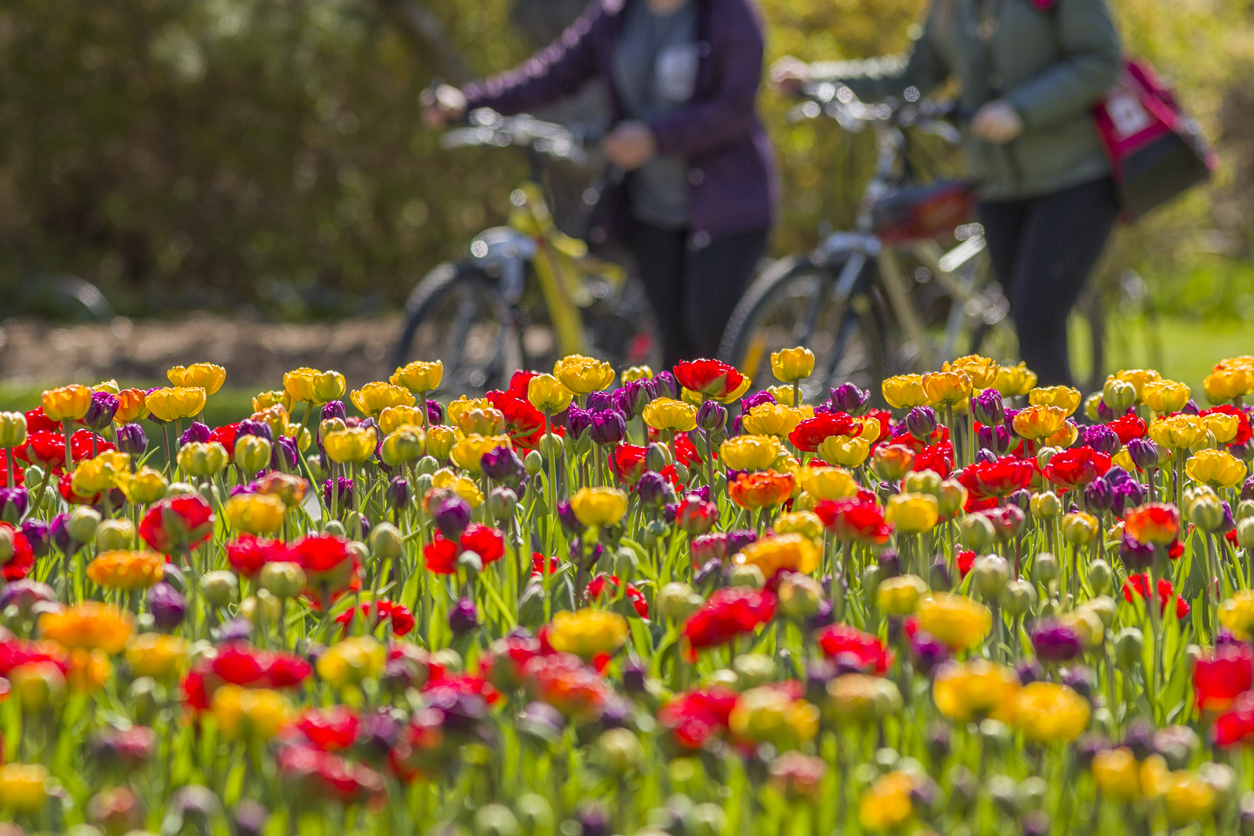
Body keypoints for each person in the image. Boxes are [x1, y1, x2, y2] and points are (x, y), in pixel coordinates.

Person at [772, 0, 1122, 388]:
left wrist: (1021, 110)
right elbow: (911, 78)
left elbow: (1100, 61)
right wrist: (817, 78)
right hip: (997, 186)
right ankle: (1033, 435)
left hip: (1074, 178)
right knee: (1021, 325)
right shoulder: (951, 8)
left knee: (1036, 321)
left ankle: (1066, 442)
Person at [423, 0, 777, 371]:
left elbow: (735, 108)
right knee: (675, 345)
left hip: (728, 208)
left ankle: (748, 419)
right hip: (651, 208)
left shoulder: (728, 12)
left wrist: (655, 137)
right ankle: (689, 429)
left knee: (710, 334)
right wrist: (468, 101)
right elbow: (552, 73)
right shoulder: (616, 14)